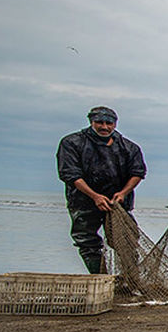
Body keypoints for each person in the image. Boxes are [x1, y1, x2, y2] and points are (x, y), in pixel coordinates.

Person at [56, 106, 147, 274]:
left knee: (127, 241)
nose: (104, 127)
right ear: (91, 122)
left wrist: (123, 193)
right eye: (99, 122)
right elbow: (70, 174)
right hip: (83, 201)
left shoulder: (129, 147)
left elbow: (138, 172)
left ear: (115, 124)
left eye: (109, 123)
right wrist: (94, 196)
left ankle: (131, 280)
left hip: (117, 203)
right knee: (87, 241)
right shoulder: (72, 142)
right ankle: (100, 278)